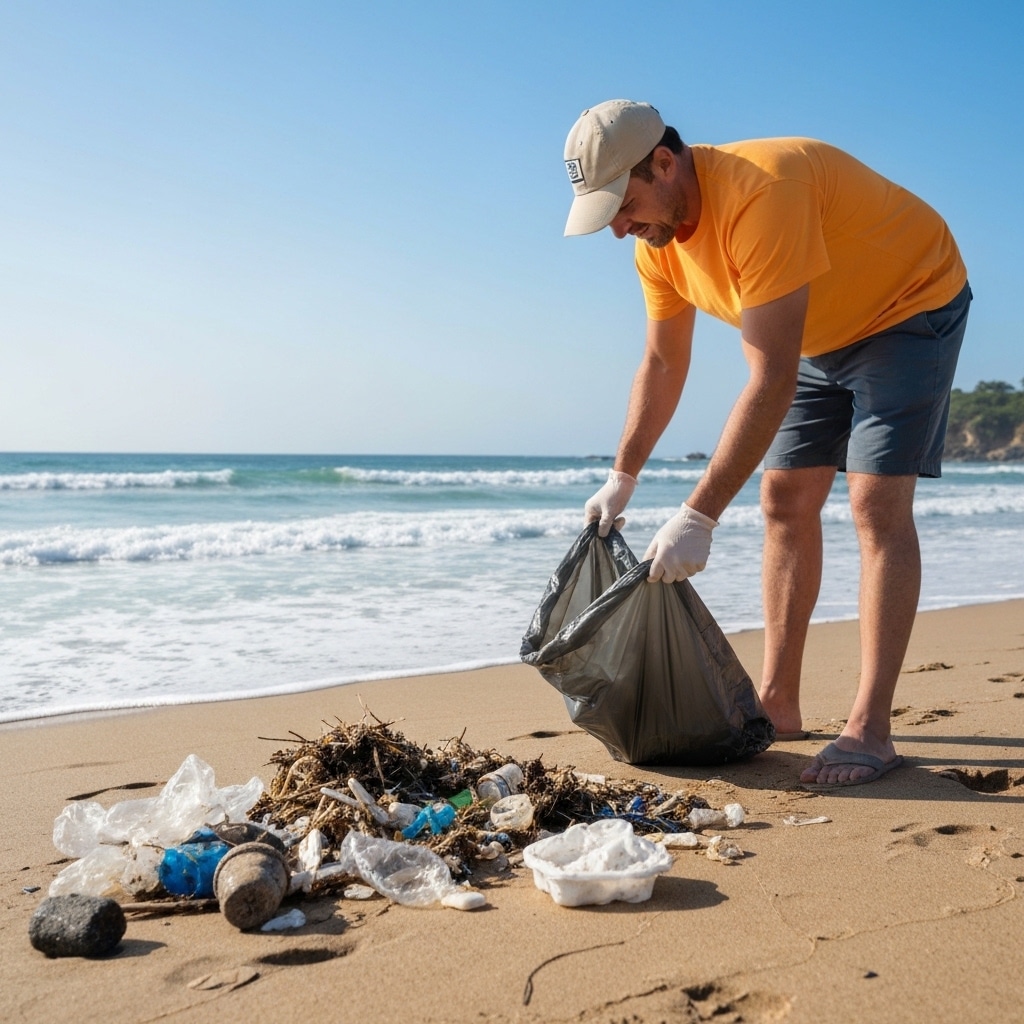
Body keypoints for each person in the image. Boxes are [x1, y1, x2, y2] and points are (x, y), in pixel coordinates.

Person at [564, 99, 970, 786]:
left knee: (873, 503)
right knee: (784, 499)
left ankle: (870, 730)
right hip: (818, 330)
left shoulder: (762, 190)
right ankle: (778, 703)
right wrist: (623, 475)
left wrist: (698, 516)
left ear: (664, 162)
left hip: (909, 304)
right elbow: (663, 363)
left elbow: (771, 374)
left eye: (623, 204)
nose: (619, 228)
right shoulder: (656, 248)